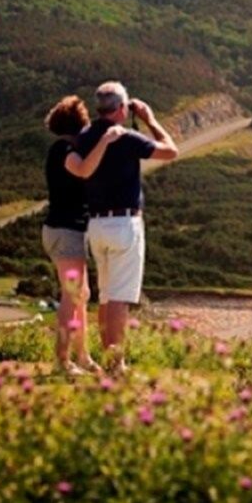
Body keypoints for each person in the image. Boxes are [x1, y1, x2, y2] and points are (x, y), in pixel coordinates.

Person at [75, 81, 178, 375]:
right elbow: (171, 151)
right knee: (120, 297)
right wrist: (150, 120)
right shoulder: (127, 137)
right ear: (121, 108)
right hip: (124, 223)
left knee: (106, 296)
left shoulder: (86, 136)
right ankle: (116, 364)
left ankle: (109, 359)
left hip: (96, 224)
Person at [41, 96, 124, 375]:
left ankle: (83, 356)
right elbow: (83, 169)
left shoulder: (60, 148)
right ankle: (62, 361)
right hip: (66, 230)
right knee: (71, 295)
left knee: (82, 294)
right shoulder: (65, 149)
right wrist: (105, 142)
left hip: (62, 230)